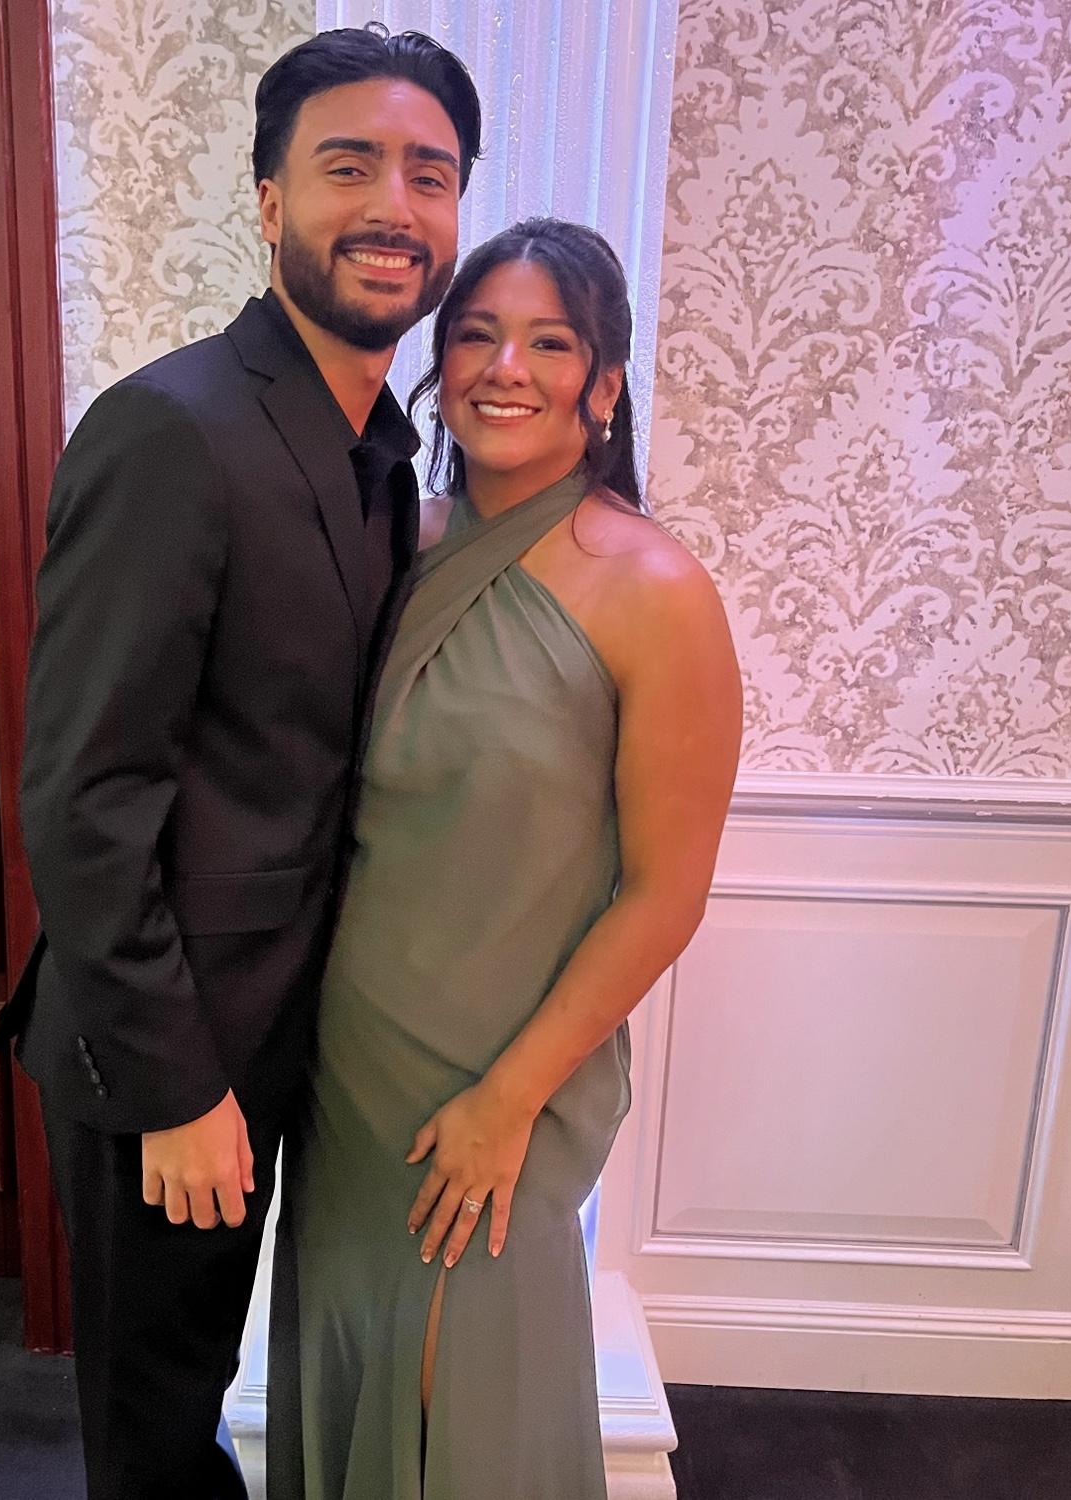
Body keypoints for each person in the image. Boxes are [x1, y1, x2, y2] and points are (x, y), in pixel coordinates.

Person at [0, 25, 481, 1499]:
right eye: (349, 167)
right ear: (269, 202)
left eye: (431, 173)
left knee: (206, 1389)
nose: (393, 204)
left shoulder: (385, 454)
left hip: (297, 1025)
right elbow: (86, 796)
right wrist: (176, 1090)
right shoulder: (171, 430)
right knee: (153, 1427)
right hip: (167, 1043)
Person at [268, 218, 743, 1498]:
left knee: (463, 1391)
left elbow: (666, 893)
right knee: (357, 1357)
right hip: (349, 1057)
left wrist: (510, 1099)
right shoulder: (390, 546)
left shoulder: (656, 591)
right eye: (477, 335)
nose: (506, 368)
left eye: (550, 342)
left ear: (606, 383)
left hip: (504, 1072)